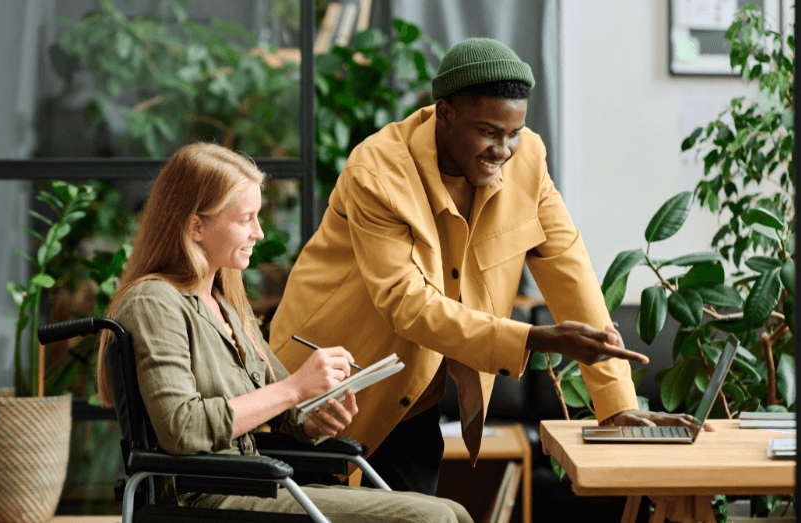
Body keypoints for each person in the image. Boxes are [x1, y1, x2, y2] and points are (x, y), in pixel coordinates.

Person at [269, 37, 711, 495]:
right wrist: (534, 338)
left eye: (513, 133)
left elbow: (568, 270)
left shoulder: (529, 162)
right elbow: (406, 303)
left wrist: (616, 404)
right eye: (488, 132)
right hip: (317, 393)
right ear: (445, 113)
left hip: (410, 399)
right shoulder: (378, 173)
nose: (503, 149)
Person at [94, 142, 473, 523]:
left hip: (255, 484)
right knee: (433, 518)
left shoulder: (226, 305)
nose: (258, 232)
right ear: (196, 226)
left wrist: (312, 418)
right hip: (210, 497)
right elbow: (182, 428)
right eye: (246, 219)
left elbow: (286, 406)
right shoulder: (154, 302)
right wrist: (295, 388)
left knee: (455, 512)